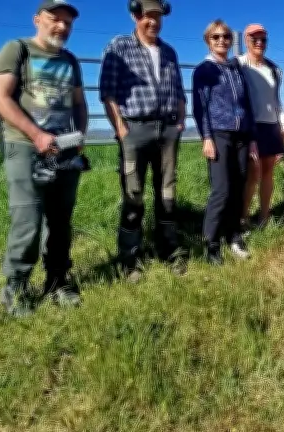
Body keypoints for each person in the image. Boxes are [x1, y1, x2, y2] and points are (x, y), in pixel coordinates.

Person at [0, 0, 87, 317]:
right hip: (25, 147)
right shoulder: (16, 50)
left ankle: (57, 281)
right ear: (37, 19)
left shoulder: (70, 60)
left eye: (67, 22)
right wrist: (37, 135)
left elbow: (79, 102)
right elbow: (0, 98)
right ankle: (15, 288)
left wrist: (80, 137)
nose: (62, 26)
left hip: (63, 148)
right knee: (28, 220)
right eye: (54, 19)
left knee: (60, 221)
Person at [99, 0, 187, 282]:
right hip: (135, 129)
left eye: (157, 17)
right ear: (135, 16)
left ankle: (169, 249)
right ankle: (129, 258)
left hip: (167, 129)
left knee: (168, 193)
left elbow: (179, 91)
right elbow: (107, 91)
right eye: (148, 16)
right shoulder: (120, 46)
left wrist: (180, 122)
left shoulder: (169, 52)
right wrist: (121, 129)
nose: (153, 22)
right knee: (133, 193)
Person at [192, 19, 256, 264]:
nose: (222, 41)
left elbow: (247, 103)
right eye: (216, 37)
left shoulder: (235, 68)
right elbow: (200, 107)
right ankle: (211, 243)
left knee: (239, 186)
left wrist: (251, 137)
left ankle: (234, 236)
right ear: (208, 41)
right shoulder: (204, 70)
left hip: (241, 135)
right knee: (221, 189)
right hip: (219, 133)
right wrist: (206, 137)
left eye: (226, 36)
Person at [237, 24, 284, 230]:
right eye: (254, 39)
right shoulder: (238, 65)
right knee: (253, 173)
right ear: (246, 40)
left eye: (263, 40)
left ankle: (264, 216)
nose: (259, 43)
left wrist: (283, 122)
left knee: (268, 171)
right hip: (250, 125)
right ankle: (243, 216)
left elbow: (276, 99)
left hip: (271, 125)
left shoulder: (274, 69)